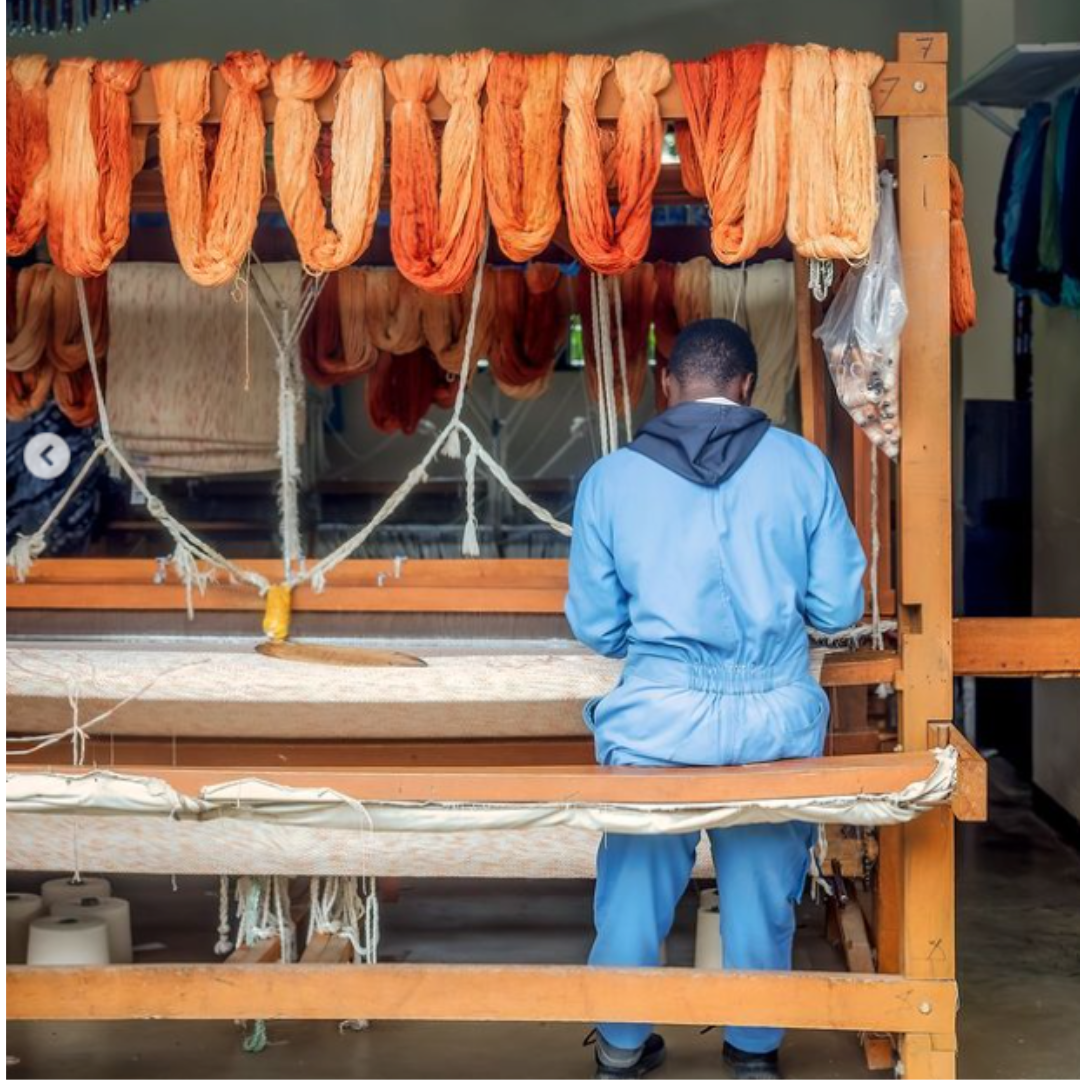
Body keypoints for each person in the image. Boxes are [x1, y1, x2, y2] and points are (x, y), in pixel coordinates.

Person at [566, 318, 866, 1080]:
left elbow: (598, 627)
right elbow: (836, 611)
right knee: (763, 891)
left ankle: (622, 1048)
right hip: (775, 719)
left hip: (658, 720)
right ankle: (754, 1052)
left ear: (668, 385)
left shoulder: (611, 478)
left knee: (634, 886)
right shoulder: (802, 466)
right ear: (747, 387)